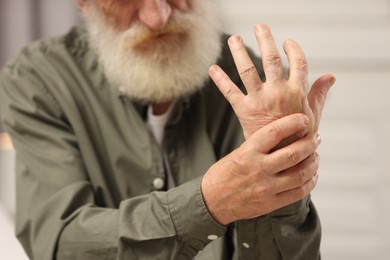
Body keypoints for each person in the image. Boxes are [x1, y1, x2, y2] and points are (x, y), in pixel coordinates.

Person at [0, 0, 336, 259]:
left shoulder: (247, 81)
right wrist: (209, 203)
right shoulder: (39, 80)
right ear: (84, 4)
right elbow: (61, 244)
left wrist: (285, 189)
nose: (157, 16)